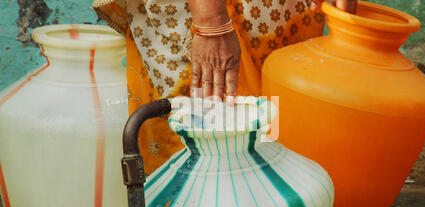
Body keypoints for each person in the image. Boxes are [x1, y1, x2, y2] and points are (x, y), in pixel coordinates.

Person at [93, 0, 357, 174]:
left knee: (271, 136)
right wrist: (211, 21)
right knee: (198, 147)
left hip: (278, 13)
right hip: (198, 11)